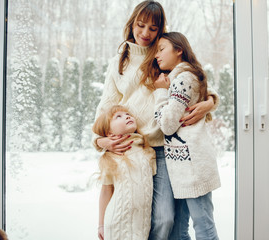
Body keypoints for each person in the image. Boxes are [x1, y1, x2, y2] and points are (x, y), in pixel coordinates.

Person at [93, 1, 219, 239]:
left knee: (165, 220)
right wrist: (100, 141)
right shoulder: (119, 61)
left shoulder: (163, 54)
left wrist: (210, 100)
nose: (145, 33)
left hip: (164, 148)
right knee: (131, 217)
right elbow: (106, 106)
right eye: (140, 26)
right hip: (132, 148)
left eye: (153, 28)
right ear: (132, 24)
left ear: (160, 29)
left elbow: (193, 81)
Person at [153, 32, 221, 240]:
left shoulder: (181, 79)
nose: (157, 55)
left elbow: (167, 125)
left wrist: (160, 92)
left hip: (193, 166)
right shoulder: (184, 76)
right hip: (184, 166)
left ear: (179, 50)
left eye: (161, 49)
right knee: (180, 231)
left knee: (203, 227)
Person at [93, 105, 156, 240]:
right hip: (116, 223)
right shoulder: (110, 158)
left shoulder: (148, 152)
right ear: (110, 133)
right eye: (118, 117)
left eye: (127, 114)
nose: (127, 116)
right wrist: (101, 224)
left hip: (142, 224)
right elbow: (105, 192)